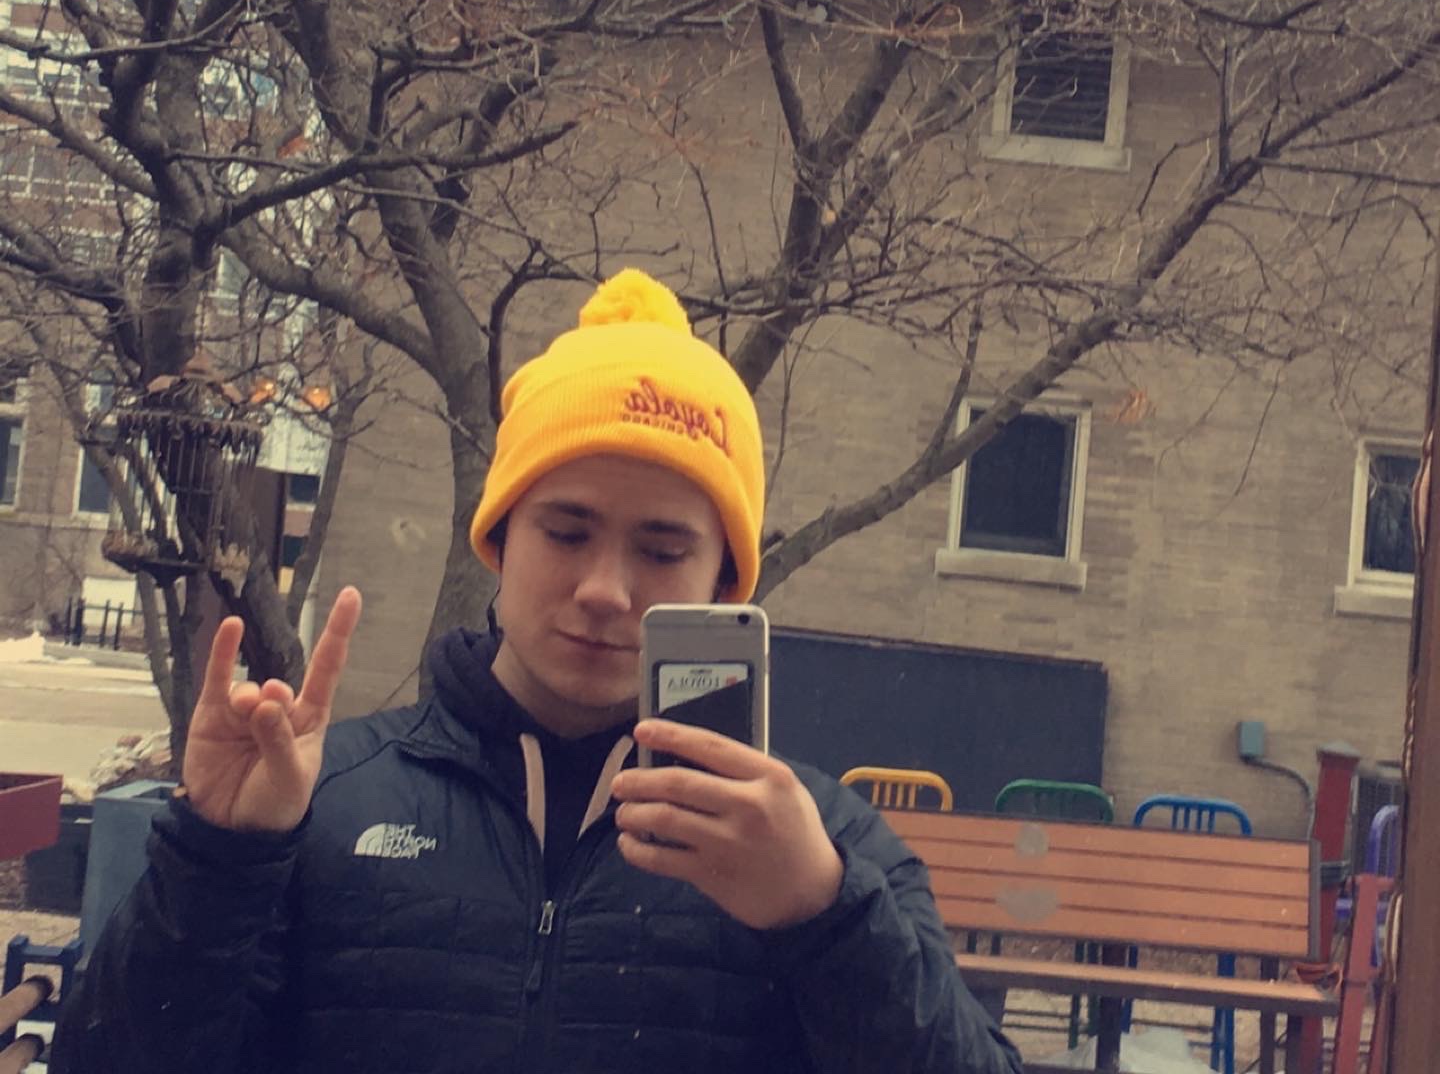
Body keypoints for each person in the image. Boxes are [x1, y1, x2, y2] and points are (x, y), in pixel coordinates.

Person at [52, 269, 1024, 1074]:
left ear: (724, 583)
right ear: (499, 539)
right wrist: (217, 862)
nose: (605, 589)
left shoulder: (820, 849)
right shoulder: (317, 804)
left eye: (662, 549)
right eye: (565, 531)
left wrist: (826, 919)